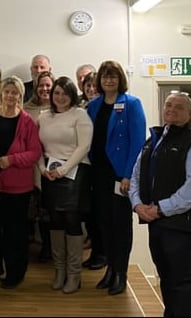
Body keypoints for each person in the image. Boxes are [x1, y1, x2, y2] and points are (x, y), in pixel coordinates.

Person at [129, 91, 191, 317]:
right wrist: (137, 204)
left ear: (189, 113)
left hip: (181, 226)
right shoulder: (153, 141)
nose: (172, 110)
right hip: (156, 223)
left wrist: (159, 209)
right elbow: (136, 175)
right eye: (169, 105)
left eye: (178, 107)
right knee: (166, 277)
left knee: (181, 282)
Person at [87, 60, 146, 295]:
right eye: (104, 76)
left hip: (119, 173)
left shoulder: (131, 104)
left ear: (120, 79)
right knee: (104, 224)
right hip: (98, 172)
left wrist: (128, 175)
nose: (109, 80)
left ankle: (121, 273)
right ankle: (110, 269)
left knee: (120, 225)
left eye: (113, 76)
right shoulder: (94, 105)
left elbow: (138, 142)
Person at [0, 75, 42, 289]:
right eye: (6, 91)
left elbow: (35, 152)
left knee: (15, 233)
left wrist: (11, 160)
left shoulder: (27, 121)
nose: (10, 96)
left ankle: (15, 273)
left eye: (15, 92)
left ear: (20, 95)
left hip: (18, 187)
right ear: (1, 94)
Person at [37, 76, 93, 294]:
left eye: (65, 93)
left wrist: (63, 169)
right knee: (54, 221)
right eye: (56, 93)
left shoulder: (80, 115)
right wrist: (42, 169)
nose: (60, 97)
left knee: (71, 220)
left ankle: (74, 274)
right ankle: (59, 271)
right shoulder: (43, 116)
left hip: (74, 173)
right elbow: (37, 146)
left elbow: (84, 146)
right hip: (49, 173)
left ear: (72, 95)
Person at [23, 71, 55, 262]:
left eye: (48, 86)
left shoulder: (60, 107)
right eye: (41, 86)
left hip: (53, 164)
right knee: (33, 208)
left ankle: (50, 248)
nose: (44, 89)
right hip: (31, 165)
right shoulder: (26, 108)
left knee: (50, 209)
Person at [78, 72, 107, 271]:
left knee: (101, 214)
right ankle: (96, 252)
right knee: (89, 213)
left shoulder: (106, 108)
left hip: (102, 167)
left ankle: (103, 253)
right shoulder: (81, 108)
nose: (91, 90)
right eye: (88, 86)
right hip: (84, 167)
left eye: (94, 86)